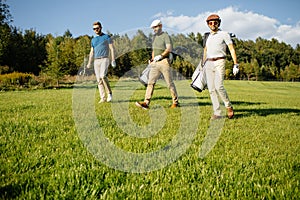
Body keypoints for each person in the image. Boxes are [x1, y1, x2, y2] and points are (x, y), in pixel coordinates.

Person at [135, 19, 179, 110]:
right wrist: (152, 59)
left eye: (156, 27)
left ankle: (175, 102)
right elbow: (154, 50)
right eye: (153, 28)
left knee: (169, 83)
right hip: (155, 63)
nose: (154, 29)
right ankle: (146, 102)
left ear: (160, 26)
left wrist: (161, 56)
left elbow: (169, 49)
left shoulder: (165, 36)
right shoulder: (154, 37)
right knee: (150, 83)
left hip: (164, 61)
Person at [202, 14, 239, 119]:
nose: (213, 24)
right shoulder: (208, 36)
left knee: (219, 86)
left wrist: (235, 64)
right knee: (211, 89)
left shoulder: (224, 34)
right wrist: (202, 65)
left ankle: (228, 106)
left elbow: (231, 49)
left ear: (218, 23)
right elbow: (205, 50)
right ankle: (217, 112)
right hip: (209, 63)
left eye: (215, 22)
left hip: (220, 61)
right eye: (210, 23)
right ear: (208, 24)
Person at [87, 21, 116, 103]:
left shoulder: (106, 37)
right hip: (96, 60)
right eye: (94, 29)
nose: (96, 30)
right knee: (99, 80)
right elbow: (91, 52)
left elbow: (112, 48)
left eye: (97, 28)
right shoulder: (93, 40)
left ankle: (109, 93)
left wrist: (113, 59)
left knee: (103, 76)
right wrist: (89, 62)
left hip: (105, 59)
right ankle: (103, 98)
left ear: (101, 28)